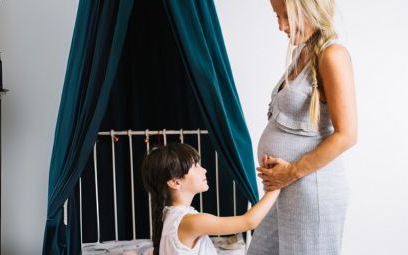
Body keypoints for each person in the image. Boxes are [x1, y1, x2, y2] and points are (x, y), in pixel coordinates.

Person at [248, 0, 358, 254]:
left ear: (310, 9)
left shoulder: (332, 55)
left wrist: (291, 172)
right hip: (284, 191)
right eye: (277, 17)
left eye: (287, 16)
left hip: (311, 193)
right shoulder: (305, 51)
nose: (281, 26)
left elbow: (347, 135)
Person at [141, 144, 281, 255]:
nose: (204, 170)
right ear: (175, 182)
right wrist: (277, 184)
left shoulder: (167, 215)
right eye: (195, 166)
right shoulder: (189, 221)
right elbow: (249, 222)